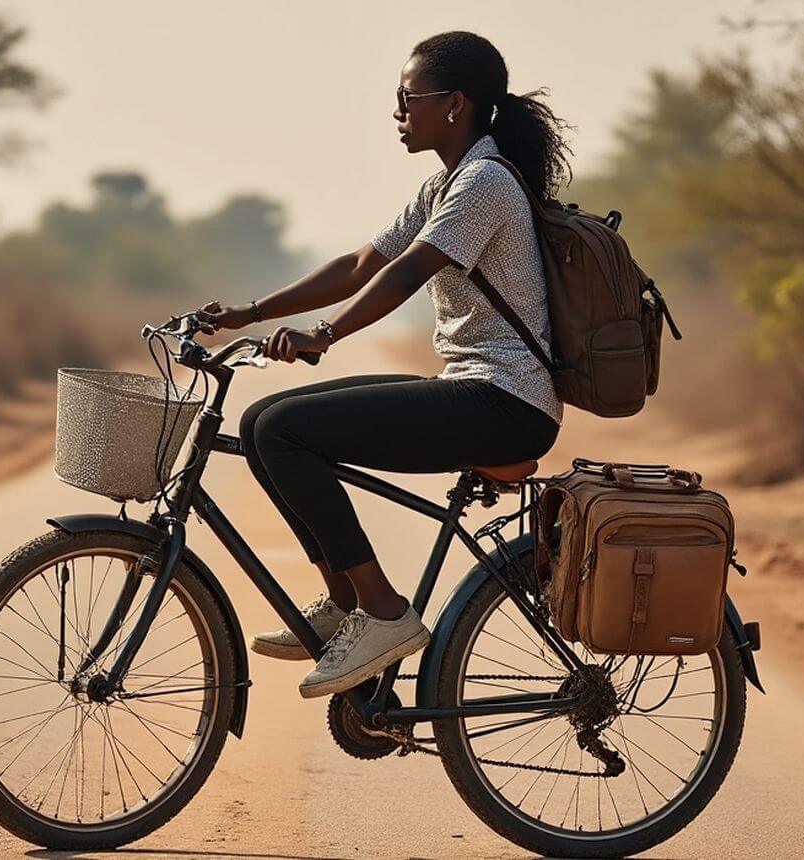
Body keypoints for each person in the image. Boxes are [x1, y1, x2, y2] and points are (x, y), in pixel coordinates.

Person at [194, 30, 575, 700]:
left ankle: (384, 613)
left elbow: (405, 276)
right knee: (263, 423)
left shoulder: (485, 182)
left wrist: (324, 335)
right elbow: (360, 265)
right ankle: (346, 604)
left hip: (508, 404)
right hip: (475, 391)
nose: (397, 113)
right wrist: (249, 313)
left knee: (288, 433)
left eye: (407, 99)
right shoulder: (445, 184)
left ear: (455, 104)